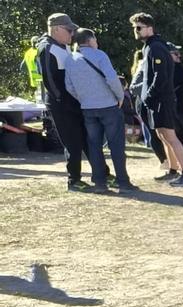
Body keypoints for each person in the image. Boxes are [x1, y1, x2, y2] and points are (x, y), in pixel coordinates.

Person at [64, 28, 136, 194]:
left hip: (88, 108)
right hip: (109, 106)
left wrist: (83, 99)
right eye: (95, 40)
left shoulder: (71, 59)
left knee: (94, 145)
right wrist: (120, 97)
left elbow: (69, 86)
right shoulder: (100, 55)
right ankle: (123, 181)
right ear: (90, 40)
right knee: (116, 145)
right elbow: (111, 78)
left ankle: (99, 182)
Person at [130, 12, 183, 187]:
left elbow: (160, 76)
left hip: (161, 100)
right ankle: (172, 170)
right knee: (162, 135)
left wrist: (149, 95)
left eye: (139, 27)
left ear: (149, 28)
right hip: (157, 100)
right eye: (135, 27)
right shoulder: (150, 46)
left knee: (170, 136)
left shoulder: (156, 47)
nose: (136, 30)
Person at [36, 13, 95, 191]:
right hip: (61, 104)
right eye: (69, 30)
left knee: (87, 138)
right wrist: (62, 100)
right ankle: (74, 180)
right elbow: (50, 80)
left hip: (73, 102)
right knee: (73, 142)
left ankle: (101, 173)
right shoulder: (47, 47)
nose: (72, 34)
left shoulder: (63, 46)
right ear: (56, 29)